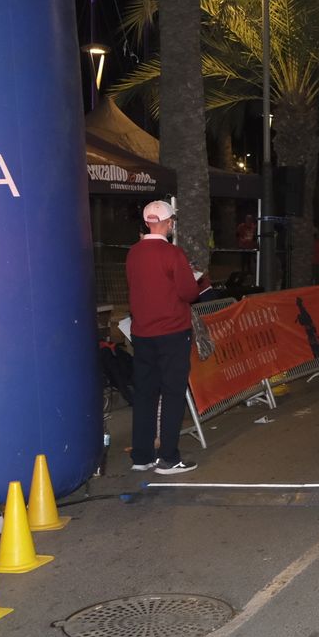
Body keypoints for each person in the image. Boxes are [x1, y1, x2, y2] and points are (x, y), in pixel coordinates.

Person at [125, 200, 209, 475]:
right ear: (164, 222)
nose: (172, 223)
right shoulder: (172, 254)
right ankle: (169, 457)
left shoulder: (133, 254)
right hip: (172, 332)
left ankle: (142, 455)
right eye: (171, 220)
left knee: (146, 394)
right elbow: (188, 293)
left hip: (142, 333)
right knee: (173, 394)